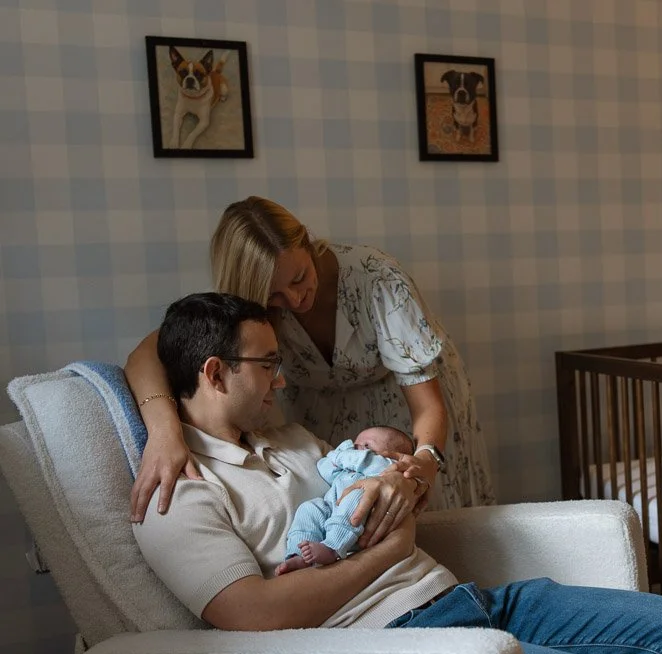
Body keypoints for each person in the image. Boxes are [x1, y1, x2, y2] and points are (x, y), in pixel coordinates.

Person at [134, 292, 662, 654]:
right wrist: (390, 552)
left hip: (463, 596)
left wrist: (405, 481)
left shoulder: (291, 440)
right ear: (214, 372)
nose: (281, 382)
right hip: (404, 638)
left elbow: (386, 482)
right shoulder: (178, 492)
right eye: (266, 366)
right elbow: (250, 615)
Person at [125, 195, 495, 533]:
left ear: (307, 243)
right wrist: (164, 432)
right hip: (325, 420)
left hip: (413, 411)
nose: (296, 298)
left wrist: (425, 461)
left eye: (300, 277)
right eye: (275, 295)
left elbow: (427, 406)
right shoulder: (245, 310)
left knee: (433, 525)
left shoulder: (378, 279)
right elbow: (147, 354)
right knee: (344, 518)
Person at [278, 425, 419, 575]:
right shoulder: (346, 468)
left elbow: (363, 460)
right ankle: (299, 554)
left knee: (357, 496)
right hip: (333, 508)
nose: (357, 448)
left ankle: (332, 548)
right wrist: (342, 450)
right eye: (355, 444)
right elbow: (324, 467)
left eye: (367, 445)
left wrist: (341, 455)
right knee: (309, 508)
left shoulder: (387, 466)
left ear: (392, 455)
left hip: (364, 519)